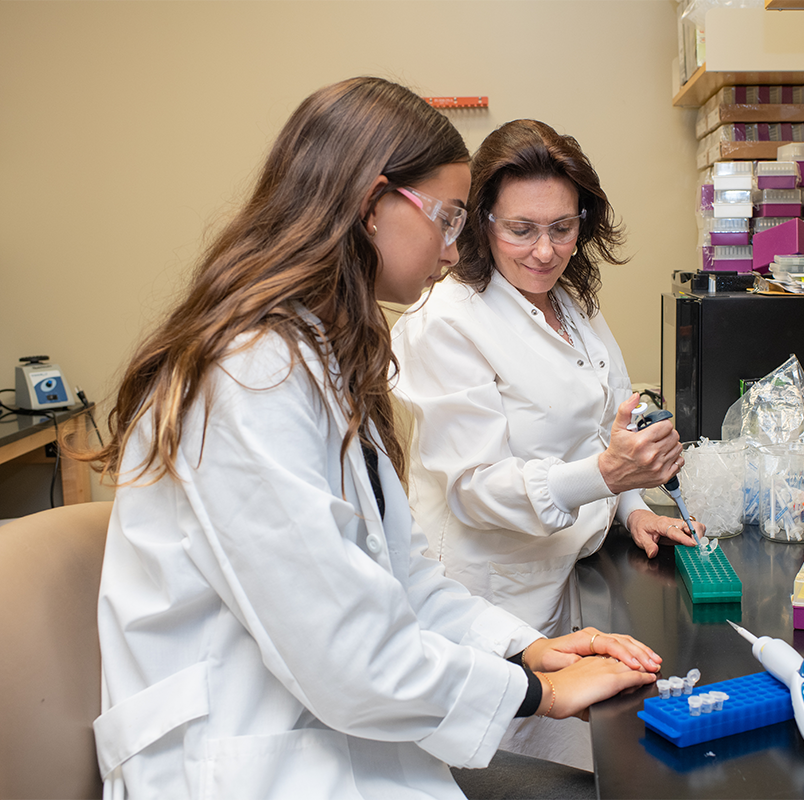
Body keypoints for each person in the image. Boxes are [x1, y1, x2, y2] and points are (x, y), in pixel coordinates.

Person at [86, 78, 662, 800]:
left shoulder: (317, 355)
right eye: (449, 219)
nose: (455, 251)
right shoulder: (248, 375)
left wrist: (530, 649)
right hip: (240, 760)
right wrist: (538, 692)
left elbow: (401, 576)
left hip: (331, 730)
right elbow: (347, 656)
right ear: (371, 206)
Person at [390, 119, 701, 770]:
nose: (544, 251)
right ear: (481, 221)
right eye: (521, 229)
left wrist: (634, 505)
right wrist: (610, 476)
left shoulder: (569, 301)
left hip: (561, 585)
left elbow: (602, 419)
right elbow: (478, 491)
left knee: (598, 769)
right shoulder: (446, 320)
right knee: (522, 776)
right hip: (483, 602)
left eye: (563, 227)